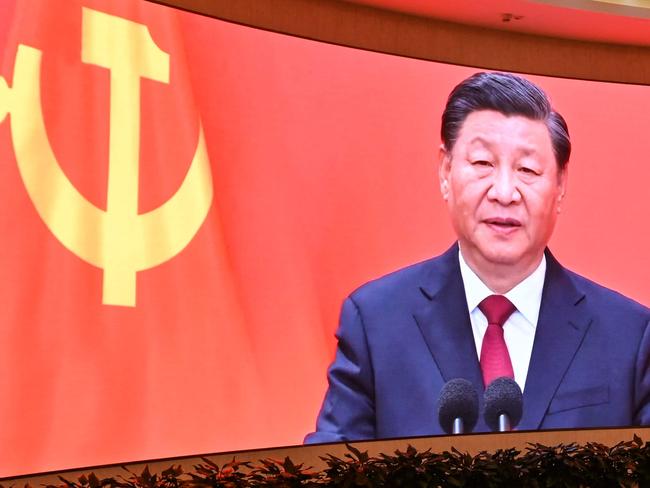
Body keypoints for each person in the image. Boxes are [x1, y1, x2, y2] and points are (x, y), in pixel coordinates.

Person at [305, 72, 650, 443]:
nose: (504, 192)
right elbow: (330, 467)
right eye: (483, 163)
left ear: (560, 186)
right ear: (445, 171)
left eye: (527, 170)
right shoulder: (375, 323)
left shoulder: (629, 337)